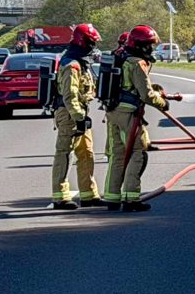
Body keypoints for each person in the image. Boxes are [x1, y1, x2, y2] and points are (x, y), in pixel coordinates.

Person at [104, 25, 174, 213]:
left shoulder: (119, 58)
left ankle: (112, 198)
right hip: (128, 114)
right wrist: (163, 103)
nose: (151, 49)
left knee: (117, 155)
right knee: (138, 153)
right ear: (140, 45)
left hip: (112, 111)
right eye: (149, 45)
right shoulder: (137, 63)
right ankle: (131, 198)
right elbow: (146, 94)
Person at [50, 23, 103, 210]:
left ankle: (89, 195)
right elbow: (69, 96)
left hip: (80, 112)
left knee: (86, 153)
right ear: (83, 42)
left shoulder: (81, 62)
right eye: (92, 42)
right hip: (69, 114)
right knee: (65, 153)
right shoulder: (71, 65)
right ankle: (60, 197)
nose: (94, 46)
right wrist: (79, 117)